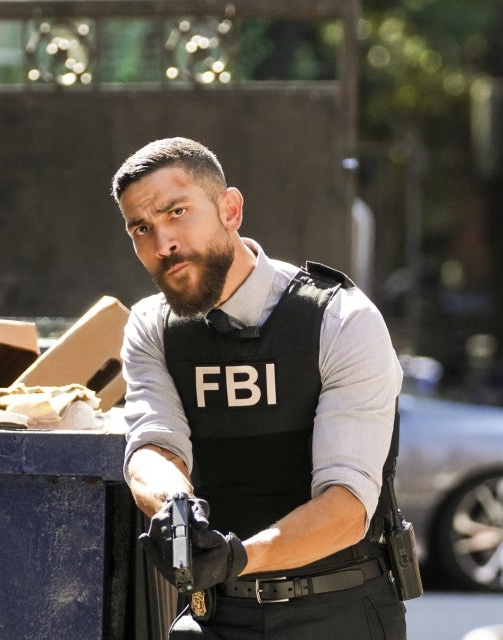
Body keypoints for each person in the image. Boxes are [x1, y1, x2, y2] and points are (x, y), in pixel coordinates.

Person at [111, 137, 408, 639]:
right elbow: (153, 447)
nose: (163, 244)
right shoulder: (152, 326)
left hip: (340, 611)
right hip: (215, 611)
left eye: (177, 212)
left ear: (230, 209)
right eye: (141, 228)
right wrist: (176, 508)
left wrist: (237, 557)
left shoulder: (340, 319)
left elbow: (347, 507)